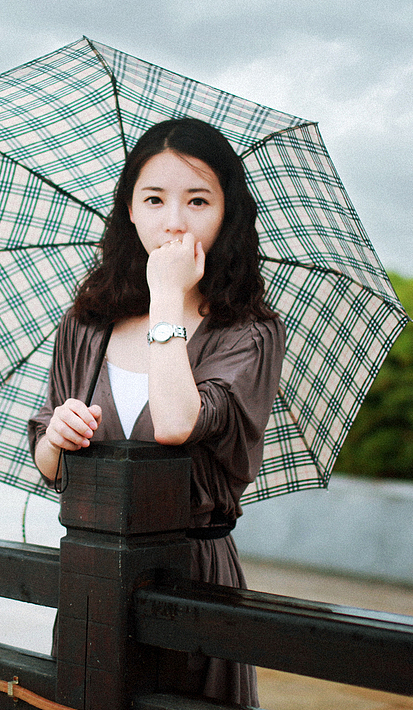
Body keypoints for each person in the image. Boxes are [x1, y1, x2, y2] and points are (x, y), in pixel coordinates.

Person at [28, 117, 286, 705]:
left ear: (227, 214)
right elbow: (50, 464)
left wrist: (166, 295)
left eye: (198, 200)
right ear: (129, 210)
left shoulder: (248, 333)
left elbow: (176, 424)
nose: (174, 220)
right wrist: (57, 436)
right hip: (94, 583)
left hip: (192, 582)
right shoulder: (86, 324)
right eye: (154, 199)